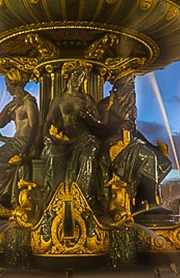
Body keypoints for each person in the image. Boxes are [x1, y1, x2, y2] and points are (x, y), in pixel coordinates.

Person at [98, 73, 171, 209]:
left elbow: (135, 132)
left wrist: (153, 146)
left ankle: (141, 194)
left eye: (131, 83)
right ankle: (151, 201)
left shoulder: (131, 106)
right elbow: (100, 129)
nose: (130, 86)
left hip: (131, 142)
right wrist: (118, 126)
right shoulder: (107, 104)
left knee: (165, 163)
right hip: (115, 144)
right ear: (118, 85)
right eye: (127, 83)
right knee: (150, 159)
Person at [41, 61, 107, 205]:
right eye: (77, 75)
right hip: (64, 139)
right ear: (68, 76)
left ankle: (82, 197)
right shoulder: (59, 99)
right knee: (52, 154)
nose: (79, 80)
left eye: (82, 77)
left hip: (85, 138)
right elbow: (48, 122)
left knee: (88, 154)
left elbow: (100, 125)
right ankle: (55, 197)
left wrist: (89, 118)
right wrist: (47, 135)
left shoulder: (87, 99)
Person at [0, 71, 39, 207]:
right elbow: (0, 123)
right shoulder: (16, 105)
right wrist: (9, 106)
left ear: (13, 84)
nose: (6, 88)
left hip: (24, 143)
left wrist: (26, 151)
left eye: (7, 85)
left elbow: (34, 127)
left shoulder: (29, 101)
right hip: (16, 142)